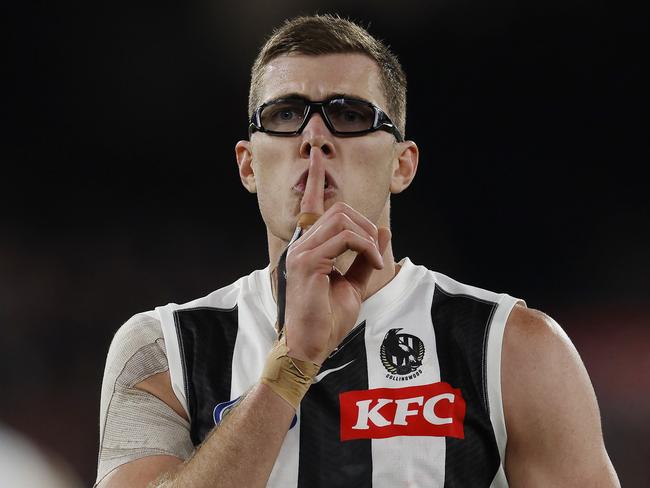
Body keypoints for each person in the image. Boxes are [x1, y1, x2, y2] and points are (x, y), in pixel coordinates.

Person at [95, 14, 620, 488]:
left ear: (403, 164)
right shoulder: (163, 351)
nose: (315, 137)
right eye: (285, 115)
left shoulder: (513, 349)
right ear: (249, 165)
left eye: (349, 115)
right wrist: (293, 364)